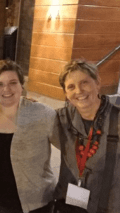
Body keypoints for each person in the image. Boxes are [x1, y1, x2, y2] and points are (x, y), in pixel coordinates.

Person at [0, 59, 58, 213]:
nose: (6, 89)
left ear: (22, 86)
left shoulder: (42, 114)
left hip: (35, 204)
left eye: (13, 82)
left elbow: (69, 147)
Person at [54, 60, 120, 212]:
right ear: (65, 93)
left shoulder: (117, 120)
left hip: (108, 207)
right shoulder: (60, 119)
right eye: (71, 86)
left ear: (97, 83)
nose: (79, 91)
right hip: (68, 204)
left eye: (85, 82)